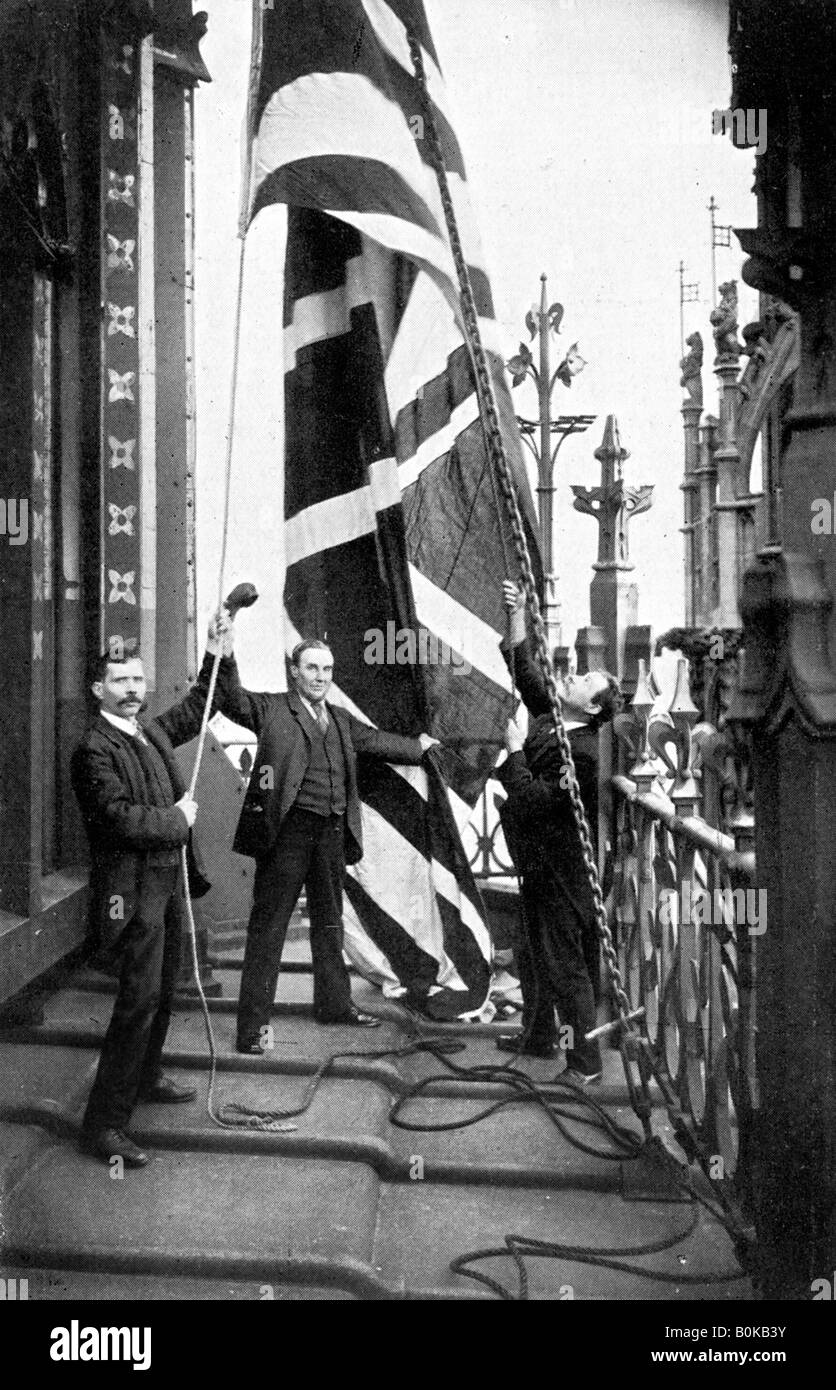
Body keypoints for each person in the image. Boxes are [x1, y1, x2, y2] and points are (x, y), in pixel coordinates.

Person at [219, 635, 438, 1053]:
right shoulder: (271, 709)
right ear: (295, 672)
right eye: (313, 668)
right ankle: (252, 1030)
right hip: (287, 836)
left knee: (330, 922)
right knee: (269, 930)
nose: (321, 677)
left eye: (327, 670)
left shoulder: (338, 718)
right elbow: (231, 700)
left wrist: (420, 749)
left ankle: (334, 1005)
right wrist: (226, 650)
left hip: (332, 833)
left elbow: (375, 742)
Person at [70, 611, 234, 1167]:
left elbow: (195, 707)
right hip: (131, 891)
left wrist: (215, 651)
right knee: (137, 1002)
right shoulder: (93, 749)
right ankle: (105, 1125)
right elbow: (117, 819)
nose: (133, 689)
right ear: (99, 690)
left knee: (165, 991)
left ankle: (145, 1076)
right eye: (121, 681)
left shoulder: (148, 730)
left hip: (166, 885)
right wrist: (178, 820)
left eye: (138, 680)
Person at [494, 581, 621, 1082]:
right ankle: (538, 1035)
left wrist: (515, 753)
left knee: (564, 964)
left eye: (584, 679)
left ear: (592, 708)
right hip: (538, 862)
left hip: (567, 873)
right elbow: (525, 671)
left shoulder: (585, 755)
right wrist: (518, 615)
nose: (570, 677)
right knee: (530, 949)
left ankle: (584, 1064)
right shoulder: (554, 717)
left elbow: (537, 800)